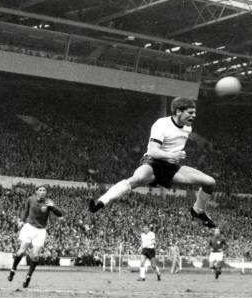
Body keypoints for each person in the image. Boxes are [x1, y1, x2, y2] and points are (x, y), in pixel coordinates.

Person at [88, 97, 217, 228]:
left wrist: (176, 155)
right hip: (153, 163)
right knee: (136, 179)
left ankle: (197, 210)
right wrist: (172, 155)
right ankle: (102, 201)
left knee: (210, 183)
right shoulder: (162, 124)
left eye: (194, 112)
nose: (194, 115)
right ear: (178, 111)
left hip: (171, 167)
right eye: (190, 112)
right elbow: (152, 151)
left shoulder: (187, 128)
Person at [8, 186, 63, 288]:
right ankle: (13, 270)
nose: (42, 192)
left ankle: (28, 277)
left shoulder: (49, 202)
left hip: (41, 230)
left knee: (35, 256)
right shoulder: (30, 199)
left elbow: (60, 214)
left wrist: (53, 207)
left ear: (46, 192)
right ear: (36, 192)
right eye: (40, 190)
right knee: (21, 251)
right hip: (29, 227)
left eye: (44, 190)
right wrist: (21, 220)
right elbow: (25, 211)